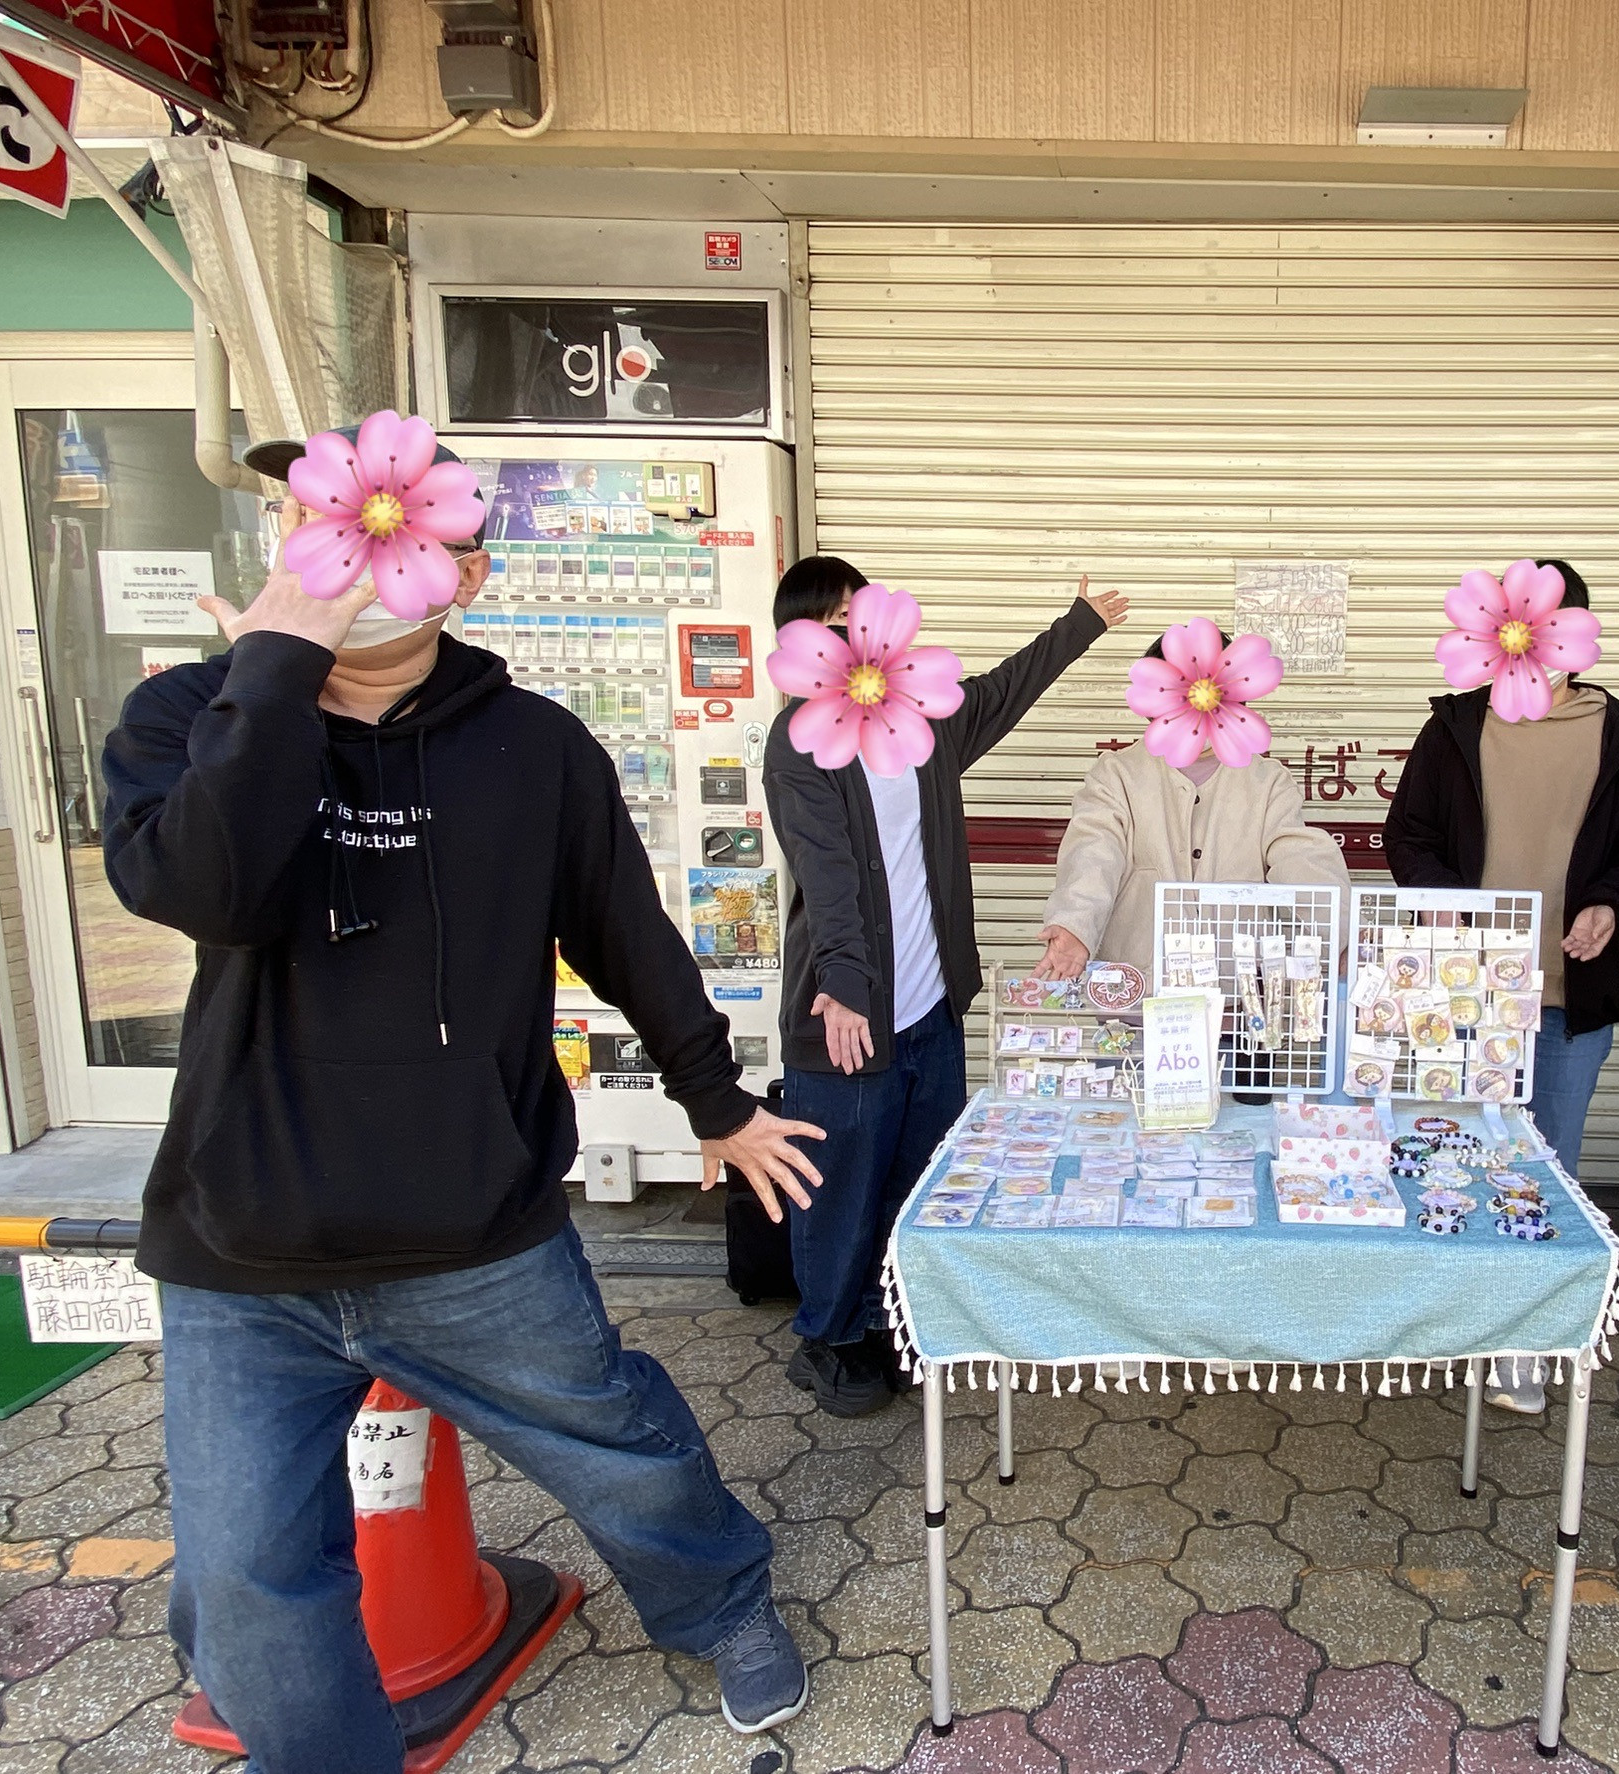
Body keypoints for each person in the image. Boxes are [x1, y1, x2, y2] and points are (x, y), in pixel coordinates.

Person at [101, 425, 829, 1773]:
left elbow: (628, 931)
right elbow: (208, 891)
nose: (353, 554)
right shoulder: (192, 719)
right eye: (320, 522)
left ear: (468, 572)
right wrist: (270, 670)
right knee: (249, 1584)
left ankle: (725, 1603)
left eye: (396, 533)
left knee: (622, 1443)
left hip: (474, 1234)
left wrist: (715, 1101)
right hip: (239, 1252)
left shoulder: (536, 749)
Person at [766, 555, 1130, 1415]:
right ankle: (825, 1338)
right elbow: (828, 877)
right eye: (840, 620)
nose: (862, 635)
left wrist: (1078, 624)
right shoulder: (799, 743)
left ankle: (890, 1319)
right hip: (847, 1014)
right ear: (809, 642)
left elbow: (999, 694)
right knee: (839, 1184)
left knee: (914, 1176)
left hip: (927, 1005)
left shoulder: (917, 723)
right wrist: (850, 985)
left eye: (868, 617)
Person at [1384, 558, 1619, 1410]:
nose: (1529, 649)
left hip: (1567, 998)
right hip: (1460, 996)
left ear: (1575, 635)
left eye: (1547, 631)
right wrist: (1445, 907)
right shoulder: (1453, 729)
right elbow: (1408, 837)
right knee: (1445, 1155)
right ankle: (1448, 1325)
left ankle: (1526, 1348)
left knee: (1547, 1171)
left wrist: (1610, 908)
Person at [1033, 633, 1349, 983]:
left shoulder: (1266, 780)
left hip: (1234, 995)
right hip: (1138, 988)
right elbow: (1093, 852)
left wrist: (1342, 936)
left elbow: (1301, 859)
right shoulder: (1118, 774)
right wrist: (1075, 926)